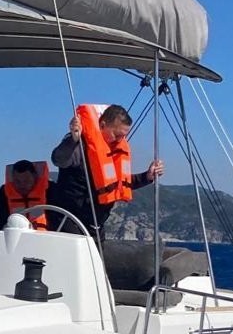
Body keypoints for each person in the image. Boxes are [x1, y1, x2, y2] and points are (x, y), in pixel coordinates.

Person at [49, 103, 164, 241]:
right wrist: (73, 140)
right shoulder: (80, 144)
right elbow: (59, 160)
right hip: (70, 222)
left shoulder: (113, 151)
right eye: (116, 135)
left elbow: (119, 183)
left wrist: (147, 176)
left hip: (95, 227)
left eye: (123, 137)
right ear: (102, 125)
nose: (119, 140)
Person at [0, 159, 50, 232]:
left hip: (48, 239)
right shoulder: (1, 196)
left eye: (26, 180)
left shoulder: (51, 191)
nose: (22, 185)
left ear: (35, 176)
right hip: (13, 239)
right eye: (17, 181)